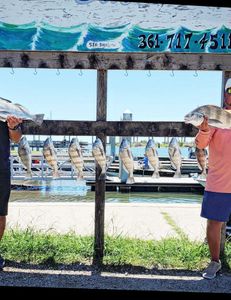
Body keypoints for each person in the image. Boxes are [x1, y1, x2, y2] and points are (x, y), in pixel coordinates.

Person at [195, 78, 231, 279]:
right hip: (219, 182)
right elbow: (200, 144)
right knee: (214, 223)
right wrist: (204, 128)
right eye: (230, 90)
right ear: (225, 94)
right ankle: (215, 261)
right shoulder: (214, 119)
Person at [0, 115, 22, 270]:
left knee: (0, 214)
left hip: (1, 169)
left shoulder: (6, 108)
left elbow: (16, 138)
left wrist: (13, 126)